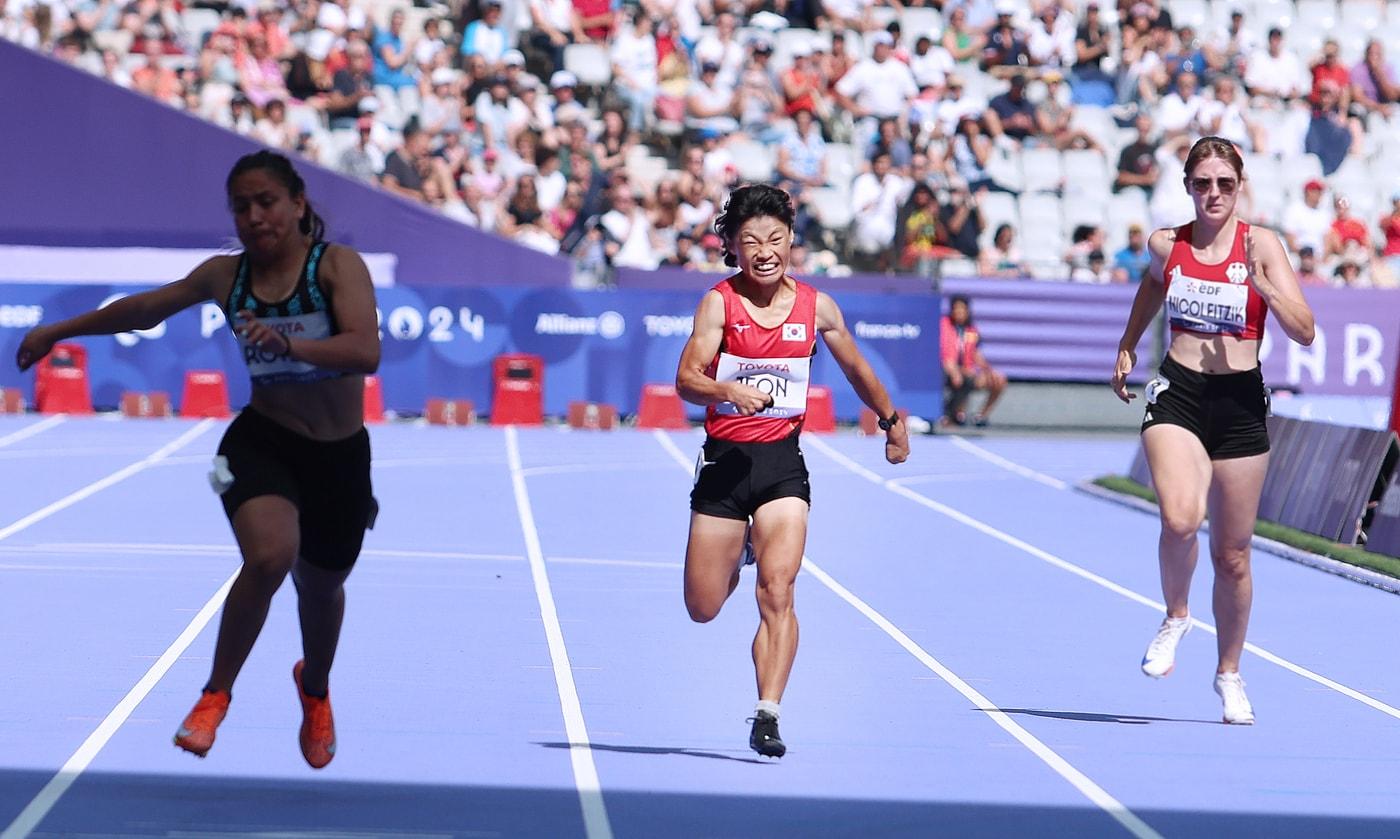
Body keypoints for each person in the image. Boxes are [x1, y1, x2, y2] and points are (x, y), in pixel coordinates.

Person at [15, 151, 381, 766]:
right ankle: (215, 693)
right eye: (241, 207)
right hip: (263, 440)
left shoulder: (336, 266)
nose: (254, 216)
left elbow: (364, 351)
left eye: (266, 202)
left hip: (339, 455)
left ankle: (314, 688)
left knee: (322, 589)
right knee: (269, 557)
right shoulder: (223, 276)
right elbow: (143, 308)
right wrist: (59, 330)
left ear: (297, 205)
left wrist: (290, 341)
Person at [674, 184, 910, 758]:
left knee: (778, 590)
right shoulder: (719, 304)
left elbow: (855, 366)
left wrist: (890, 419)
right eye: (751, 240)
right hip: (725, 464)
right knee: (703, 607)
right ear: (732, 246)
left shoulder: (817, 307)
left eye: (775, 239)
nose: (765, 250)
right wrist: (726, 389)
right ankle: (740, 550)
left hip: (782, 464)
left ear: (790, 242)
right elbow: (686, 379)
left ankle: (768, 712)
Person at [1110, 136, 1315, 725]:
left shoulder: (1262, 245)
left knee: (1232, 555)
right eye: (1203, 183)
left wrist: (1265, 285)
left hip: (1241, 400)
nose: (1214, 193)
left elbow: (1305, 331)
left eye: (1225, 183)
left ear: (1239, 185)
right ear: (1188, 188)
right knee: (1179, 516)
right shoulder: (1167, 244)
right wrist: (1127, 345)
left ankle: (1229, 671)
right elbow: (1153, 283)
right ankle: (1177, 614)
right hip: (1179, 389)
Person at [940, 294, 1006, 427]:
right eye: (956, 309)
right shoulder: (944, 326)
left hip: (967, 370)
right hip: (946, 370)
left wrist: (988, 370)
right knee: (963, 378)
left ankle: (980, 416)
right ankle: (954, 413)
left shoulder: (971, 330)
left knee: (999, 380)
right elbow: (945, 355)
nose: (959, 312)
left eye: (962, 309)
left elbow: (976, 354)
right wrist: (954, 371)